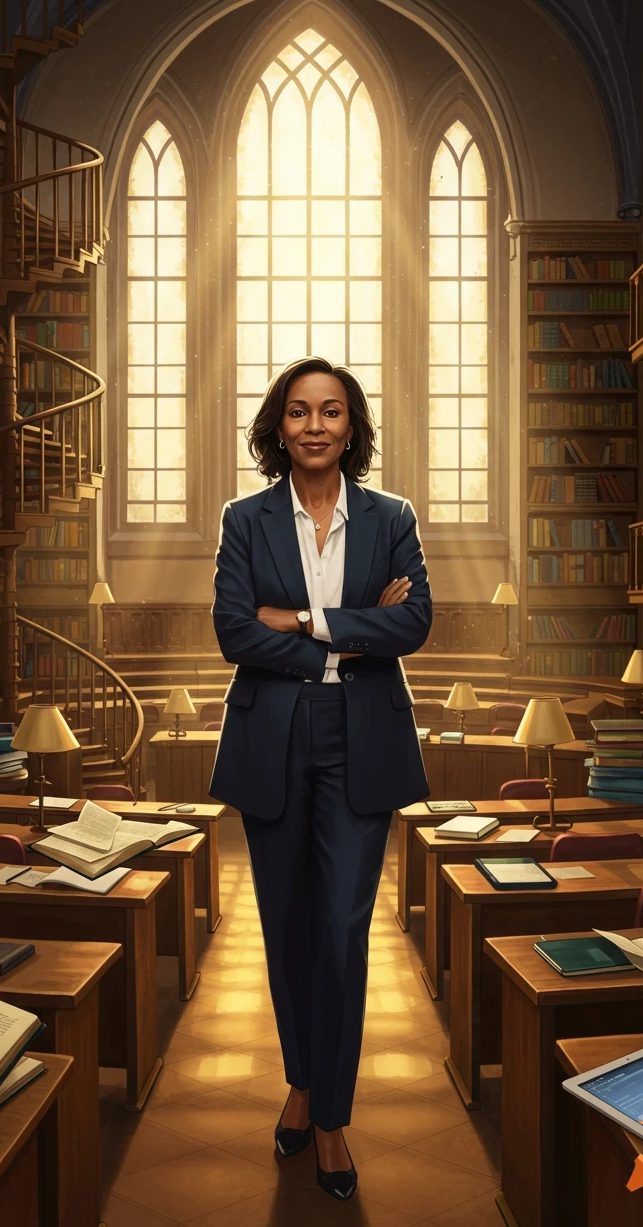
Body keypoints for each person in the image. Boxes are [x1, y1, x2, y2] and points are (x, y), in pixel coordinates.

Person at [209, 355, 432, 1202]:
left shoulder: (391, 516)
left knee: (341, 930)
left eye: (330, 411)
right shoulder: (244, 519)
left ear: (351, 427)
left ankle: (331, 1116)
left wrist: (303, 620)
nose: (314, 425)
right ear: (280, 425)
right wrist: (354, 629)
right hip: (273, 735)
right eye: (299, 411)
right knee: (287, 927)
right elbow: (234, 632)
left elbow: (415, 622)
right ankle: (301, 1082)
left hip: (361, 736)